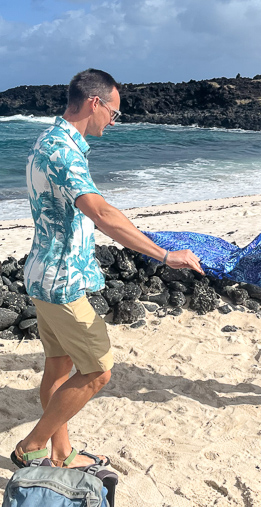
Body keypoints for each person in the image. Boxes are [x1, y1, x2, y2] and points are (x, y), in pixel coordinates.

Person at [13, 68, 203, 470]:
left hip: (42, 274)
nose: (113, 122)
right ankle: (31, 445)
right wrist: (165, 255)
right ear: (94, 103)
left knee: (59, 366)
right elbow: (100, 212)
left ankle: (61, 454)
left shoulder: (48, 142)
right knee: (99, 370)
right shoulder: (64, 153)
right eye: (113, 113)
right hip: (61, 283)